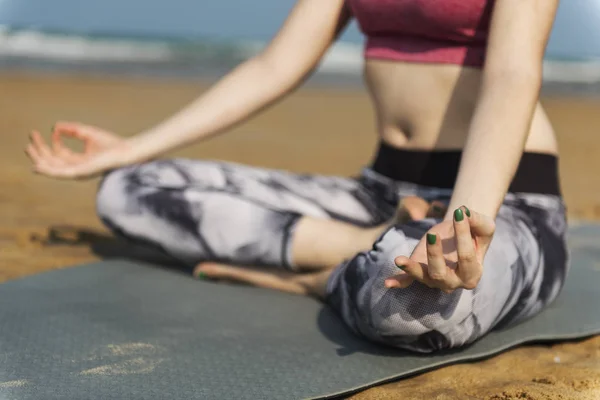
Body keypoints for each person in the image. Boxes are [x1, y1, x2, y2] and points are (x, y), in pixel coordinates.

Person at [25, 0, 568, 353]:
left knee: (417, 308)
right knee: (129, 189)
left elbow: (512, 76)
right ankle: (360, 246)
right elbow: (275, 66)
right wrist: (133, 147)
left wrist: (459, 223)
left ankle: (319, 275)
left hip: (501, 200)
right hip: (381, 192)